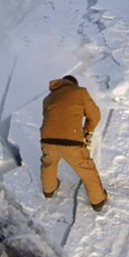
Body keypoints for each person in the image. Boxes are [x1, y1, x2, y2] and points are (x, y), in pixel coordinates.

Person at [40, 75, 108, 211]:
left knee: (49, 163)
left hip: (46, 140)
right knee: (86, 168)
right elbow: (95, 115)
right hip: (70, 141)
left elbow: (49, 117)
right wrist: (87, 130)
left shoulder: (48, 98)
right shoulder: (79, 92)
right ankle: (98, 200)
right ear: (74, 84)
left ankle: (49, 190)